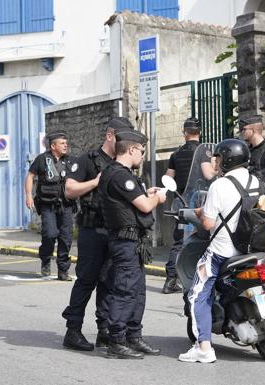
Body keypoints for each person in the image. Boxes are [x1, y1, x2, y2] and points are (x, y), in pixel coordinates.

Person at [178, 138, 262, 364]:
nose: (215, 160)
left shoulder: (219, 185)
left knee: (197, 294)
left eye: (218, 157)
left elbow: (207, 224)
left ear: (227, 160)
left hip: (221, 252)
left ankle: (203, 347)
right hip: (252, 250)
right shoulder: (257, 182)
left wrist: (201, 213)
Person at [61, 117, 133, 351]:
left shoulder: (123, 163)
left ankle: (104, 330)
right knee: (87, 279)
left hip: (115, 230)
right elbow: (70, 190)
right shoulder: (87, 160)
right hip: (92, 229)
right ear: (110, 136)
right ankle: (72, 331)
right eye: (121, 137)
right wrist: (95, 182)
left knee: (109, 282)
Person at [99, 129, 167, 359]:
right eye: (141, 151)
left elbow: (130, 202)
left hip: (132, 241)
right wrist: (157, 198)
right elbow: (146, 207)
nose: (142, 156)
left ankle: (133, 336)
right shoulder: (120, 175)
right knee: (125, 290)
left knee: (137, 292)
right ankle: (116, 340)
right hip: (125, 241)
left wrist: (146, 192)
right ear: (131, 149)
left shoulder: (120, 174)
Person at [162, 118, 216, 294]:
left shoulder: (176, 154)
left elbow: (168, 178)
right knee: (201, 239)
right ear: (200, 132)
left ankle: (171, 279)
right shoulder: (203, 151)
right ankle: (196, 277)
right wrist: (218, 170)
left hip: (181, 203)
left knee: (179, 241)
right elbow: (208, 175)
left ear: (184, 133)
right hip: (198, 203)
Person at [25, 131, 75, 281]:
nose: (65, 145)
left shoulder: (70, 161)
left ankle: (63, 270)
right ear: (53, 146)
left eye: (66, 143)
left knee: (66, 238)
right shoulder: (42, 160)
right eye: (62, 143)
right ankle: (45, 258)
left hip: (66, 205)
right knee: (50, 234)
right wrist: (28, 195)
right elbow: (30, 176)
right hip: (48, 205)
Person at [239, 115, 265, 193]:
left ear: (254, 130)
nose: (242, 132)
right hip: (250, 197)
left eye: (244, 129)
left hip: (263, 197)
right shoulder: (248, 150)